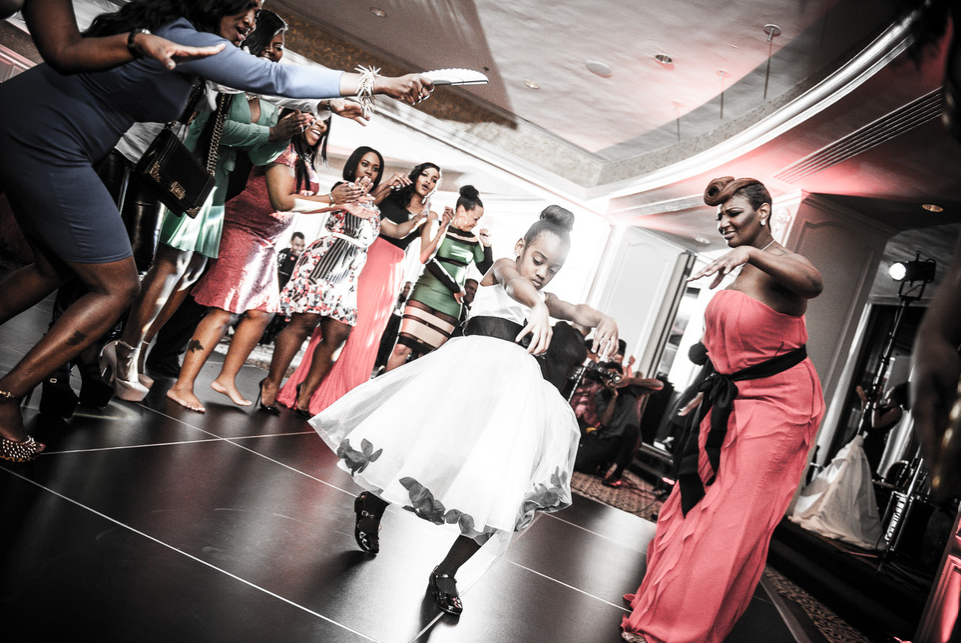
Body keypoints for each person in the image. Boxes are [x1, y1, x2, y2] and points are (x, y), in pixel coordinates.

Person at [0, 0, 434, 462]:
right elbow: (275, 78)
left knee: (51, 267)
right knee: (116, 286)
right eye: (247, 6)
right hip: (50, 140)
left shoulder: (189, 38)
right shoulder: (191, 37)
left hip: (48, 133)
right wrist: (378, 83)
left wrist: (326, 101)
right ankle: (6, 399)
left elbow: (259, 86)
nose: (251, 18)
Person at [310, 205, 618, 616]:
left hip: (512, 398)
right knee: (423, 452)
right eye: (538, 260)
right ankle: (374, 502)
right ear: (521, 247)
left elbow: (580, 312)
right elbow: (513, 282)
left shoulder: (546, 297)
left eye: (554, 268)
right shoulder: (504, 269)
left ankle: (447, 572)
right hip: (466, 378)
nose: (543, 273)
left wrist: (605, 319)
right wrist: (538, 307)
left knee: (500, 489)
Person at [621, 177, 824, 643]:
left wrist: (752, 254)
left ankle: (678, 627)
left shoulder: (783, 264)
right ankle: (663, 599)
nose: (724, 223)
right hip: (732, 399)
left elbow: (814, 284)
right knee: (688, 500)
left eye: (733, 213)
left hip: (782, 407)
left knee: (728, 517)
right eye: (720, 216)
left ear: (764, 212)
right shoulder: (738, 267)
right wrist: (703, 393)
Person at [165, 112, 333, 412]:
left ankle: (226, 379)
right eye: (314, 117)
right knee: (224, 311)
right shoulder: (279, 149)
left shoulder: (303, 159)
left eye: (326, 122)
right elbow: (283, 200)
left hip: (266, 242)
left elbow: (300, 203)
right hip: (242, 231)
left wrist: (339, 200)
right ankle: (182, 386)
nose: (320, 124)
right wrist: (335, 200)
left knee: (262, 313)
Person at [260, 148, 426, 416]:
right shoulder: (343, 189)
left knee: (338, 332)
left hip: (348, 274)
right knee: (304, 324)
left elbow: (394, 230)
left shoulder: (373, 206)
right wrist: (384, 187)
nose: (369, 171)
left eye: (374, 168)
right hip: (326, 262)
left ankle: (306, 393)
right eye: (365, 165)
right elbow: (347, 204)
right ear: (353, 166)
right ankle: (271, 384)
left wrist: (422, 218)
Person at [384, 184, 493, 371]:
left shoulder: (474, 241)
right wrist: (455, 287)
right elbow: (429, 260)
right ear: (461, 210)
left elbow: (487, 272)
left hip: (449, 305)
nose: (477, 223)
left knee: (426, 359)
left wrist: (488, 245)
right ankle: (380, 394)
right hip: (424, 293)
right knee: (401, 348)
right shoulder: (438, 227)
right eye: (476, 217)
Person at [855, 381, 909, 476]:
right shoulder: (884, 406)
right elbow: (867, 421)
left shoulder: (896, 411)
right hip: (867, 440)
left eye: (891, 389)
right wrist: (864, 401)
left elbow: (876, 424)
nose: (887, 390)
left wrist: (876, 402)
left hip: (874, 445)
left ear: (895, 394)